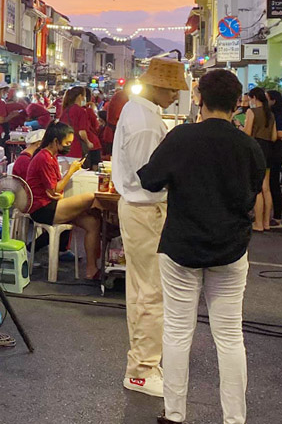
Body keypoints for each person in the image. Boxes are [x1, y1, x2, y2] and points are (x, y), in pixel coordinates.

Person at [138, 69, 264, 424]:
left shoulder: (182, 138)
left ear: (199, 98)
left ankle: (175, 414)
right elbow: (251, 193)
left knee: (178, 333)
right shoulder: (249, 147)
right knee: (229, 336)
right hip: (231, 249)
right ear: (237, 103)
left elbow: (150, 179)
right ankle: (234, 419)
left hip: (181, 246)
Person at [111, 56, 186, 398]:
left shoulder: (139, 111)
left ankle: (145, 362)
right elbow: (149, 177)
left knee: (143, 290)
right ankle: (141, 370)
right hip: (145, 209)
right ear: (158, 85)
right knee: (150, 292)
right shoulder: (144, 120)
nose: (175, 95)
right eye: (172, 89)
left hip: (140, 208)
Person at [25, 122, 101, 279]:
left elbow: (52, 190)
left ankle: (91, 269)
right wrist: (71, 172)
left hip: (51, 203)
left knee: (93, 224)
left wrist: (56, 191)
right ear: (55, 141)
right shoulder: (43, 158)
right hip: (42, 209)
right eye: (67, 143)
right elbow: (55, 189)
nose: (68, 146)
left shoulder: (51, 157)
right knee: (90, 197)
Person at [244, 87, 277, 232]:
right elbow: (274, 136)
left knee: (257, 188)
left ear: (253, 98)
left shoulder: (252, 112)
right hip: (269, 149)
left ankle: (257, 223)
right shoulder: (271, 114)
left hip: (256, 148)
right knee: (266, 188)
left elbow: (247, 133)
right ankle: (266, 223)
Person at [267, 89, 282, 227]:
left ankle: (277, 217)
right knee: (271, 183)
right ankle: (272, 216)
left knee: (273, 183)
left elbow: (281, 133)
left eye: (267, 98)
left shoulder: (277, 115)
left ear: (274, 100)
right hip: (274, 151)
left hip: (276, 151)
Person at [60, 86, 95, 162]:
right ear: (80, 96)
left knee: (64, 173)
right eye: (84, 96)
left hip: (62, 148)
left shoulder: (65, 110)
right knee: (75, 173)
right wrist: (88, 143)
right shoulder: (81, 111)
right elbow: (81, 132)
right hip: (75, 148)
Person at [101, 86, 129, 155]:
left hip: (113, 133)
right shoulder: (121, 97)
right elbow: (119, 116)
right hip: (114, 134)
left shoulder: (121, 96)